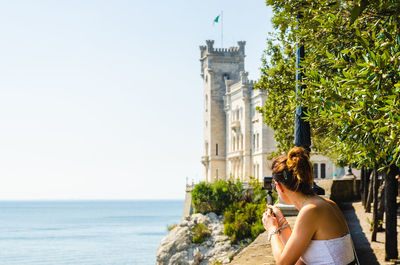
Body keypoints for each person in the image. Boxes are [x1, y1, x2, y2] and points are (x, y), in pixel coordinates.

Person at [262, 147, 356, 265]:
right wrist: (281, 222)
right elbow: (299, 257)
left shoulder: (311, 211)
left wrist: (272, 230)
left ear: (279, 186)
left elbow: (283, 264)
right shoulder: (328, 204)